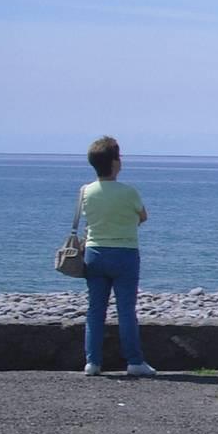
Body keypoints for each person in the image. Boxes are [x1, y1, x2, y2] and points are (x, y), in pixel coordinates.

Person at [80, 136, 157, 376]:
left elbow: (87, 219)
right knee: (126, 310)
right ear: (115, 163)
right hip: (125, 253)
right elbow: (142, 216)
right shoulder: (128, 192)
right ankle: (134, 362)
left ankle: (93, 362)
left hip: (94, 253)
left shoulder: (85, 191)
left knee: (95, 309)